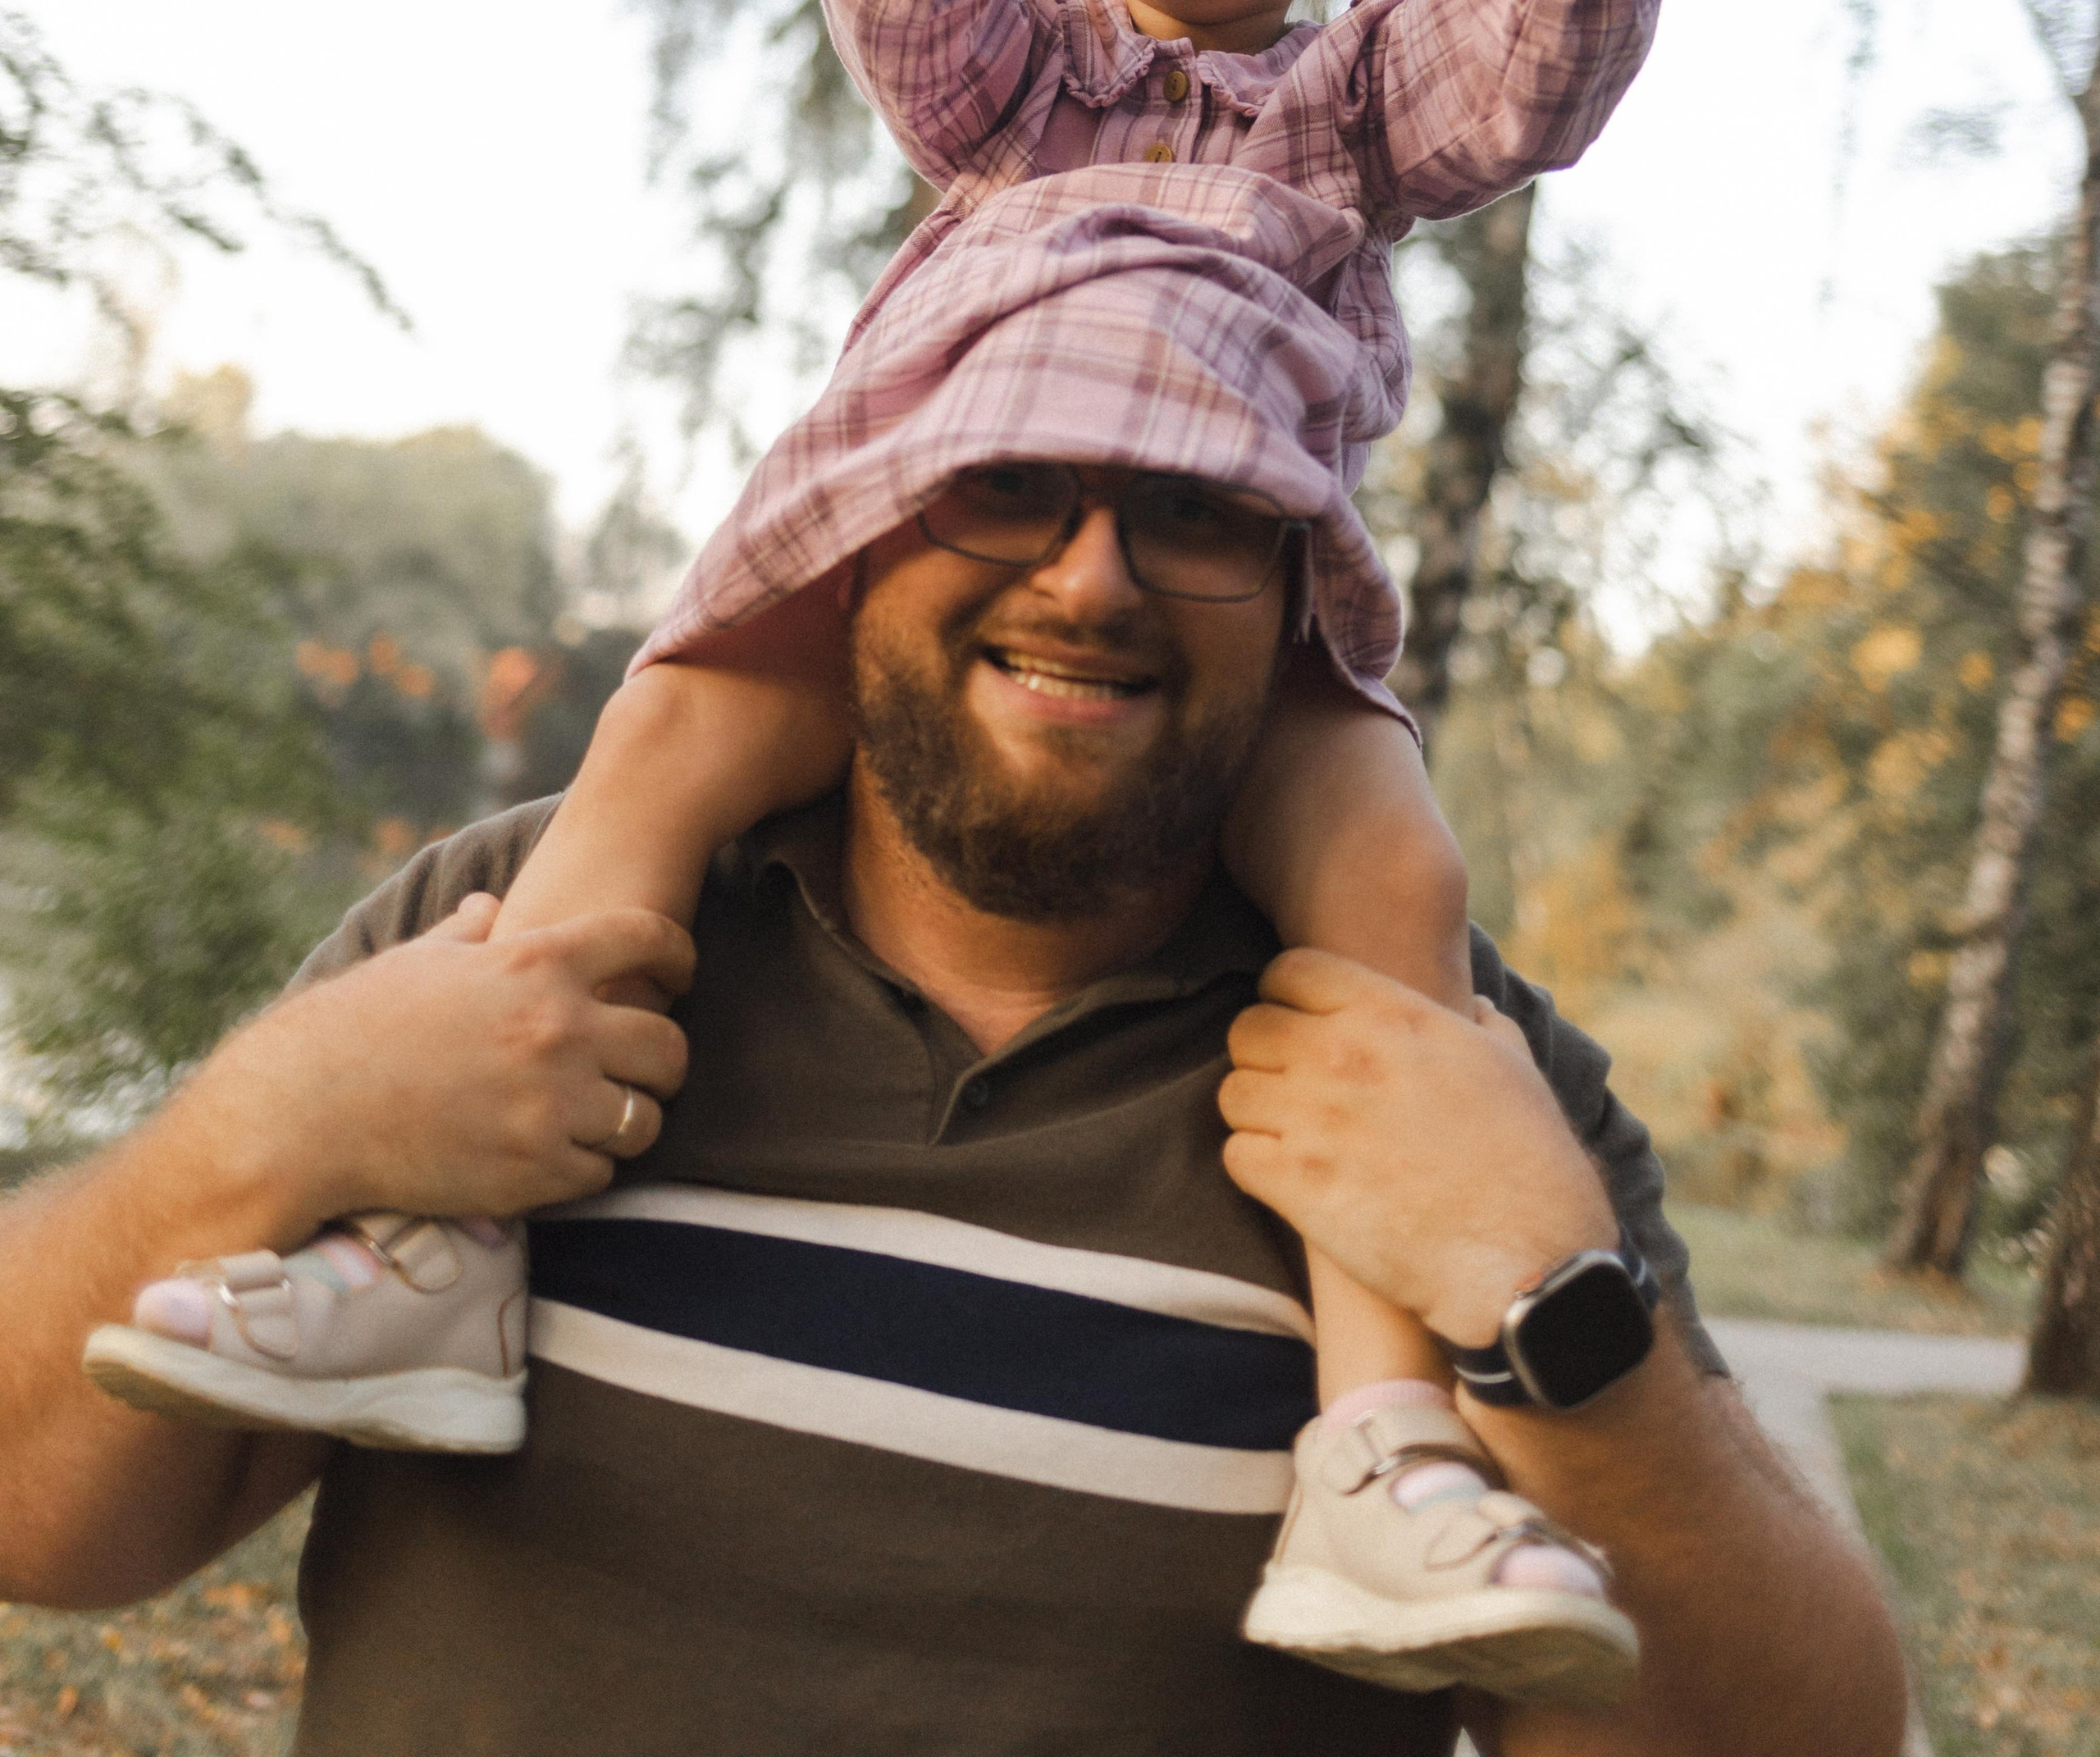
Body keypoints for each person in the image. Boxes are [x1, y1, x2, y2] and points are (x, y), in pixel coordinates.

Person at [88, 0, 1858, 1705]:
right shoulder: (1021, 85)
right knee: (658, 753)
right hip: (877, 535)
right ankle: (436, 1246)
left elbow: (1517, 76)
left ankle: (1382, 1441)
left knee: (1396, 880)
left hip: (1260, 597)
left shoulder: (1353, 104)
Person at [13, 422, 1906, 1755]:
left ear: (1301, 596)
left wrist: (1545, 1308)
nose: (1089, 579)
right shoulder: (522, 937)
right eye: (1003, 479)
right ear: (857, 522)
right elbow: (40, 1526)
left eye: (1192, 504)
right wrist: (264, 1129)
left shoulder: (1445, 1069)